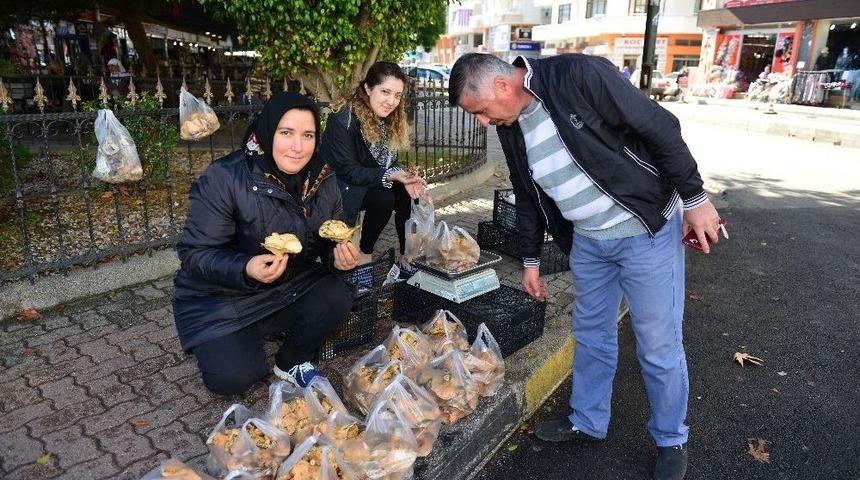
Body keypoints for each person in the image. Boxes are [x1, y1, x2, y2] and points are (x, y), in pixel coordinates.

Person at [448, 53, 722, 480]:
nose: (482, 122)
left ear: (501, 86)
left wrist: (695, 198)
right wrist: (532, 259)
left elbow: (660, 126)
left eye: (479, 111)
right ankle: (588, 420)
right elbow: (526, 192)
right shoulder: (511, 124)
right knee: (591, 336)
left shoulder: (577, 76)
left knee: (658, 346)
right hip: (589, 243)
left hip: (644, 230)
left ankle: (670, 438)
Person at [172, 92, 360, 395]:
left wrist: (336, 259)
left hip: (286, 283)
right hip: (220, 297)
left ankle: (291, 360)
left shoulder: (324, 177)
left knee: (339, 294)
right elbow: (195, 254)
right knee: (234, 378)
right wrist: (246, 268)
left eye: (308, 135)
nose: (298, 147)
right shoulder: (225, 177)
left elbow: (325, 241)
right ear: (268, 132)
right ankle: (237, 336)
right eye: (287, 133)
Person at [319, 61, 426, 265]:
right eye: (385, 92)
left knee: (408, 192)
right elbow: (348, 170)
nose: (391, 101)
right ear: (368, 88)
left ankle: (409, 257)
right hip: (339, 185)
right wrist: (390, 175)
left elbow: (388, 163)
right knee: (384, 199)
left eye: (397, 95)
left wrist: (406, 178)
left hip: (365, 181)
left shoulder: (389, 118)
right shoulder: (344, 118)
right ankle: (365, 254)